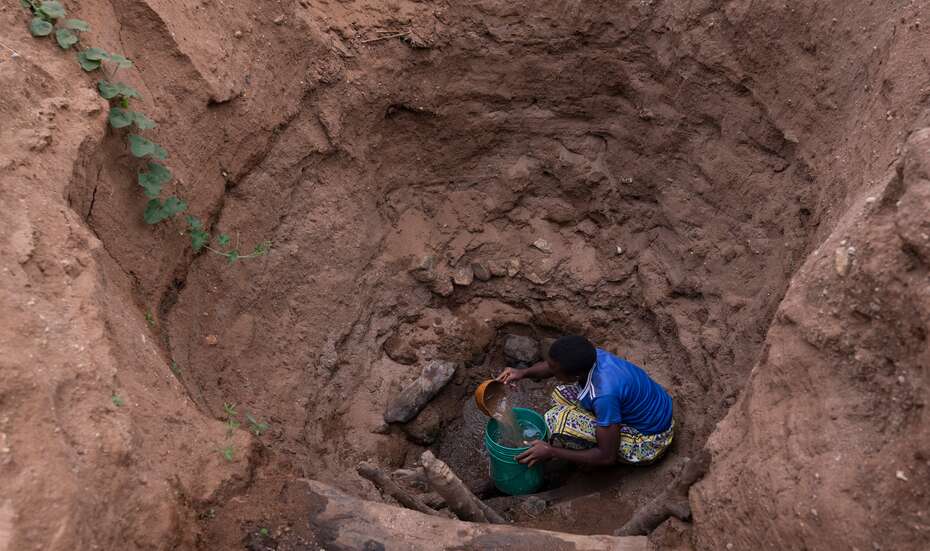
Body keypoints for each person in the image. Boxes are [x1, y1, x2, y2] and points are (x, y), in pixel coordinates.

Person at [497, 335, 674, 468]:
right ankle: (600, 434)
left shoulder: (604, 394)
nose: (550, 370)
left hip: (649, 441)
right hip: (650, 413)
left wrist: (551, 452)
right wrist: (523, 373)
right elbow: (552, 366)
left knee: (557, 420)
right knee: (560, 394)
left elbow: (607, 456)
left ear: (575, 375)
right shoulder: (591, 356)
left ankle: (590, 463)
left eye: (554, 370)